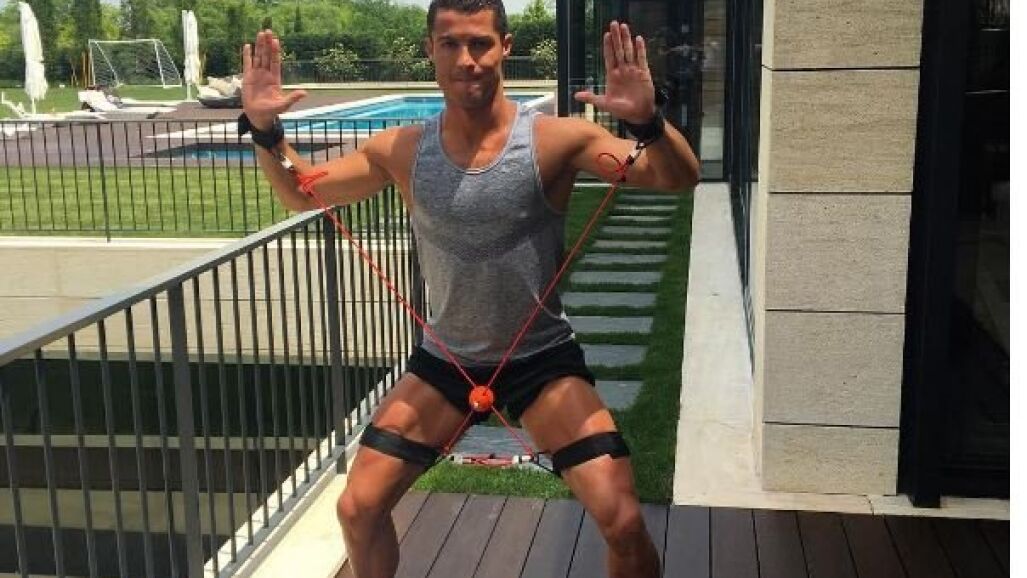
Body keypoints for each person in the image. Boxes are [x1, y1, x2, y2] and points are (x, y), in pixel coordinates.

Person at [241, 0, 699, 575]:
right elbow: (301, 190)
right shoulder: (402, 149)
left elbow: (677, 177)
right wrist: (264, 130)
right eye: (451, 44)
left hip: (541, 361)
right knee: (357, 508)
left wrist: (647, 124)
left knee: (624, 522)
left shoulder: (556, 141)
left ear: (505, 46)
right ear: (430, 51)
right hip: (446, 362)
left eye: (480, 43)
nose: (467, 59)